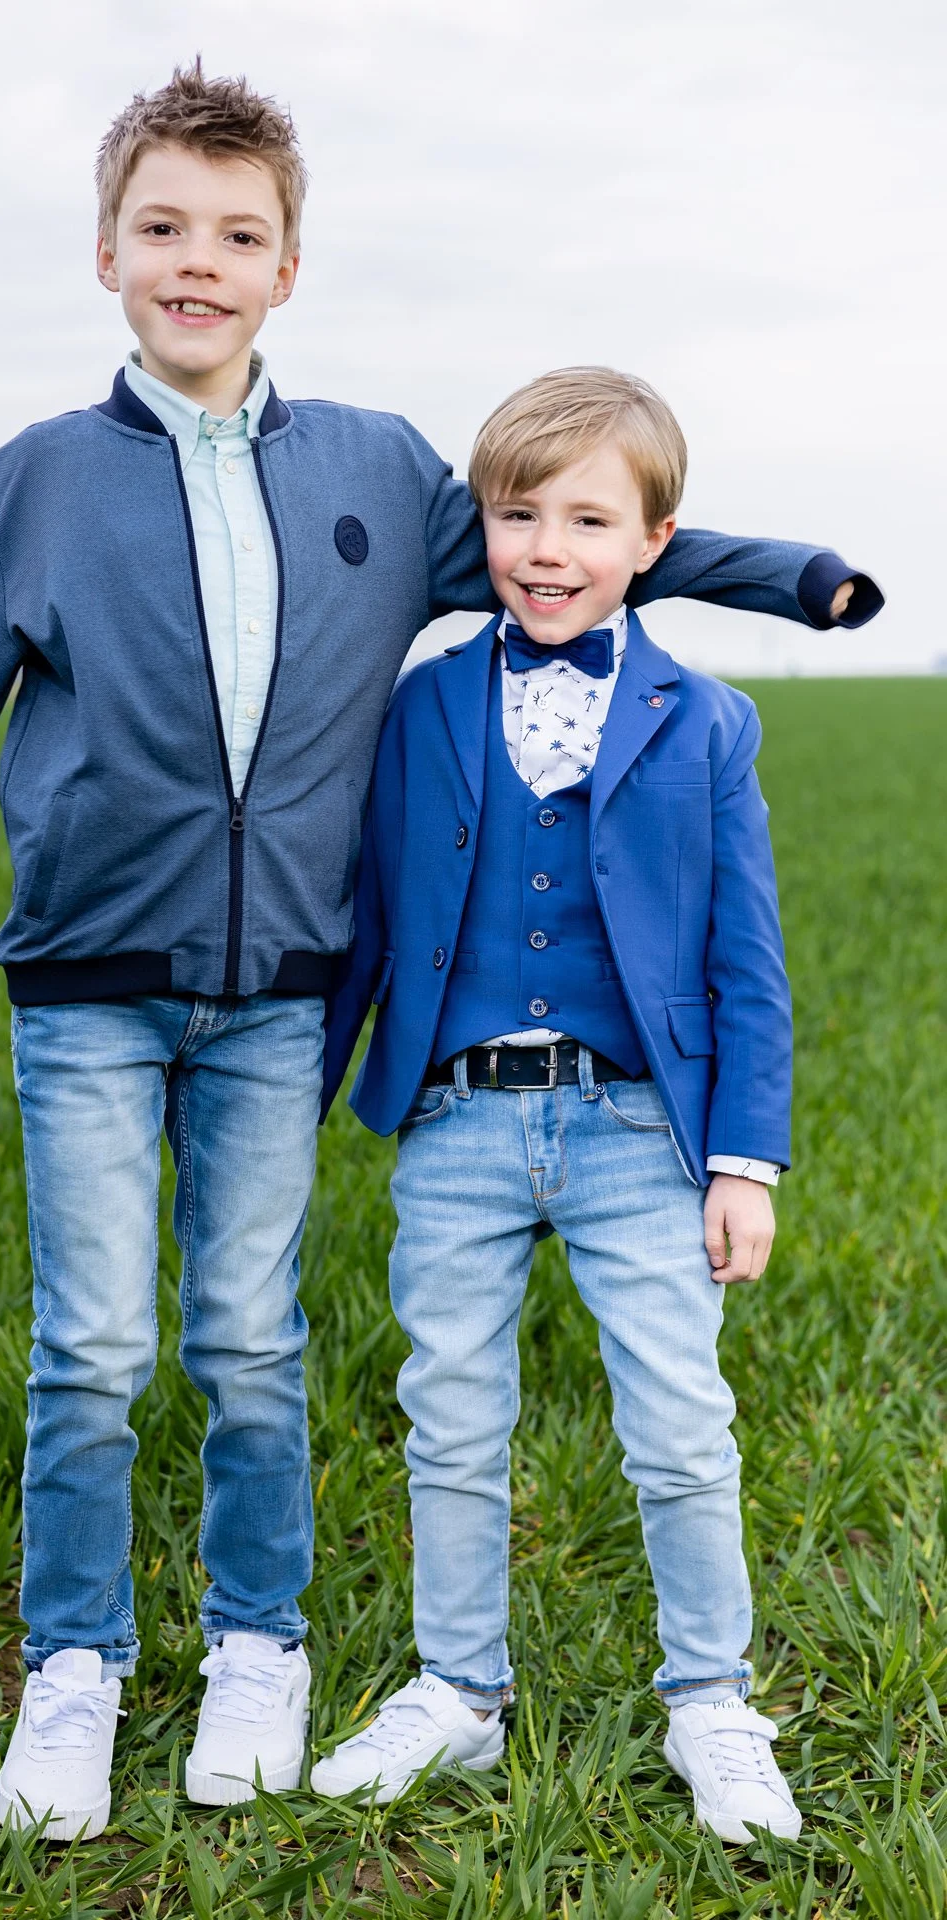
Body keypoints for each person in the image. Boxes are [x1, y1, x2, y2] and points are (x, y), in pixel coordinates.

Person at [0, 61, 879, 1839]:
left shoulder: (373, 466)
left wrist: (800, 577)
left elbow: (574, 533)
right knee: (93, 1340)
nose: (198, 263)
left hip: (287, 992)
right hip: (89, 981)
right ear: (107, 250)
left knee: (249, 1332)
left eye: (239, 235)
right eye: (163, 230)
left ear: (290, 266)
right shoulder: (40, 480)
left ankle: (258, 1646)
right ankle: (75, 1666)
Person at [315, 365, 828, 1844]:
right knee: (451, 1419)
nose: (547, 547)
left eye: (587, 519)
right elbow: (366, 917)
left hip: (636, 1133)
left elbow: (748, 957)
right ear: (482, 526)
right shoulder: (419, 708)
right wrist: (306, 1097)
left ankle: (713, 1701)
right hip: (459, 1124)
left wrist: (746, 1162)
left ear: (653, 541)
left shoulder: (706, 719)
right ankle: (457, 1693)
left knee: (680, 1422)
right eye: (517, 513)